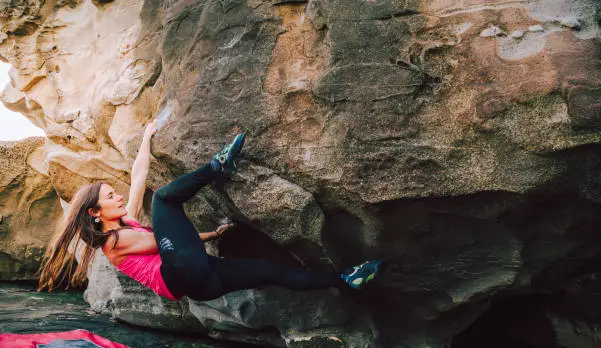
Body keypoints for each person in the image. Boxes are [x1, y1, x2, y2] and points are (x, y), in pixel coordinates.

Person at [37, 121, 382, 301]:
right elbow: (166, 241)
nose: (117, 198)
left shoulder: (125, 223)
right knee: (163, 200)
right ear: (95, 213)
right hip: (183, 272)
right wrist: (204, 236)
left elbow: (140, 176)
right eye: (110, 197)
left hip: (202, 283)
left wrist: (146, 138)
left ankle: (346, 280)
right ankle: (219, 166)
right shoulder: (112, 244)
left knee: (269, 272)